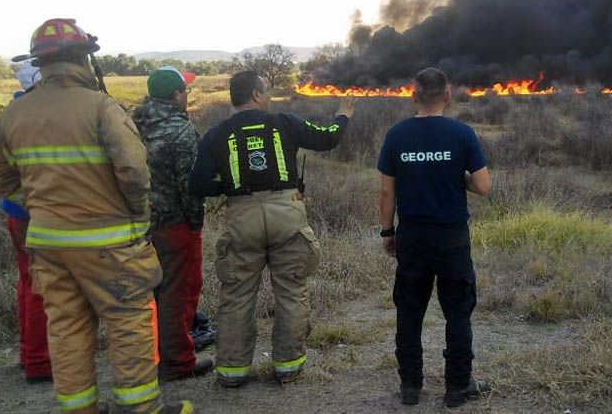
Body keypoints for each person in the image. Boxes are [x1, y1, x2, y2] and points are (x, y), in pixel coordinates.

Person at [0, 19, 194, 414]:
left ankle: (79, 409)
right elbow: (133, 170)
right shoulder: (100, 107)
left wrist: (36, 205)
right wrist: (135, 215)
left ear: (40, 63)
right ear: (83, 59)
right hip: (109, 243)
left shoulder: (16, 113)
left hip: (49, 245)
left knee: (67, 328)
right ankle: (141, 409)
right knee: (129, 323)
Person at [189, 71, 354, 387]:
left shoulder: (216, 134)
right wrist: (343, 116)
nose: (268, 97)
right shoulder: (285, 122)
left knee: (236, 296)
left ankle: (233, 373)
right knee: (291, 292)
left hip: (241, 217)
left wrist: (229, 185)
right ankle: (288, 368)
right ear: (255, 94)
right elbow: (328, 137)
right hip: (287, 214)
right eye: (265, 91)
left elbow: (197, 183)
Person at [377, 67, 492, 407]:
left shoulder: (396, 135)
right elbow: (483, 186)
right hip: (451, 238)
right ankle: (457, 389)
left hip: (412, 236)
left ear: (413, 96)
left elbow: (387, 193)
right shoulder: (462, 134)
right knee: (457, 312)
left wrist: (388, 231)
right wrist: (459, 179)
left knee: (409, 312)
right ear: (447, 95)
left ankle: (410, 387)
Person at [131, 66, 213, 382]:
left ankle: (146, 357)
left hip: (136, 227)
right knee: (178, 294)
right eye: (185, 91)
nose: (187, 96)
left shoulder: (131, 127)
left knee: (147, 295)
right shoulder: (181, 133)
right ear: (177, 95)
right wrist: (195, 225)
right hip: (175, 227)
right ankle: (177, 362)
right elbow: (190, 187)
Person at [0, 60, 52, 383]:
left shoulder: (13, 114)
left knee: (27, 282)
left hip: (15, 212)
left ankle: (27, 353)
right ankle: (39, 361)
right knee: (40, 286)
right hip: (33, 213)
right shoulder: (35, 118)